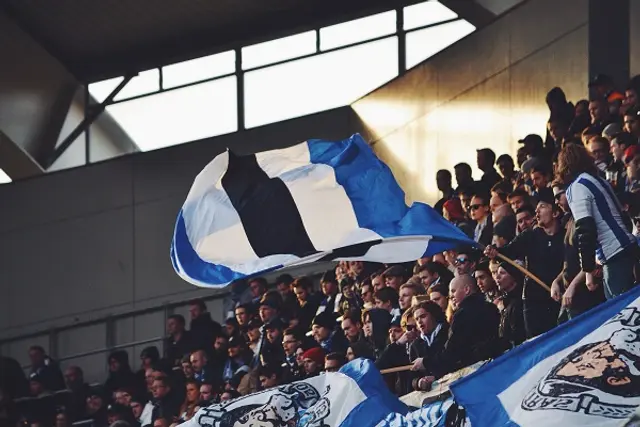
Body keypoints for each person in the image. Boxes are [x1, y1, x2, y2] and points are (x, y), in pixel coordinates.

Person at [557, 143, 637, 299]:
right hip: (628, 246)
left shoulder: (576, 187)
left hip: (614, 255)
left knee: (620, 311)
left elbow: (585, 228)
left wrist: (588, 268)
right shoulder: (599, 181)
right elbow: (622, 215)